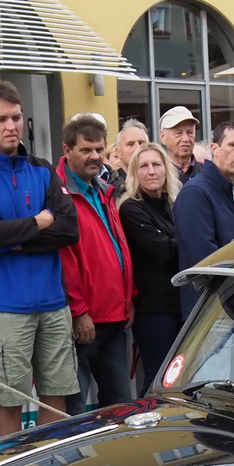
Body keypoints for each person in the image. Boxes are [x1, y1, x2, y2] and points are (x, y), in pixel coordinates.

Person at [0, 79, 82, 433]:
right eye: (0, 119)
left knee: (56, 395)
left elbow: (70, 230)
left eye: (16, 117)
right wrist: (39, 223)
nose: (11, 126)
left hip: (53, 302)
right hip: (6, 306)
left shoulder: (42, 169)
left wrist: (14, 236)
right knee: (10, 398)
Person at [57, 117, 135, 413]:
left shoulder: (104, 189)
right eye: (85, 149)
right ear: (67, 150)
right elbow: (65, 258)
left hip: (115, 317)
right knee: (74, 409)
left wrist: (129, 299)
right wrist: (78, 311)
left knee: (119, 406)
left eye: (99, 149)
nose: (94, 156)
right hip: (83, 320)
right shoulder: (58, 192)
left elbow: (119, 248)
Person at [175, 120, 234, 314]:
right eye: (232, 145)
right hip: (209, 311)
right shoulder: (195, 193)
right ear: (215, 149)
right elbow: (207, 261)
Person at [118, 141, 181, 390]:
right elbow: (164, 251)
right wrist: (184, 237)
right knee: (157, 377)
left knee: (179, 379)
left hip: (180, 305)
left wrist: (175, 239)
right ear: (134, 173)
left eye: (156, 164)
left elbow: (173, 244)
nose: (151, 171)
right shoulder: (131, 208)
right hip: (154, 310)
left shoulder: (173, 204)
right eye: (143, 166)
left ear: (166, 169)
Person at [158, 106, 202, 183]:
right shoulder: (156, 175)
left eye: (190, 133)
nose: (185, 139)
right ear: (163, 136)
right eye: (178, 133)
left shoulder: (208, 173)